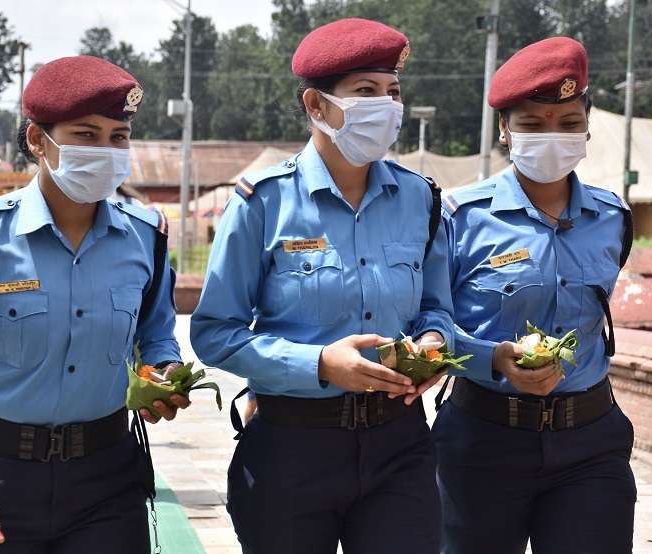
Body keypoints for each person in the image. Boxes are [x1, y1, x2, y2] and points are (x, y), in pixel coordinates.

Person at [191, 18, 455, 554]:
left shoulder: (421, 200)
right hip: (292, 444)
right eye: (365, 92)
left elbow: (436, 309)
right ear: (316, 106)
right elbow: (215, 332)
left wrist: (433, 345)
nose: (385, 106)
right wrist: (317, 365)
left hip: (398, 443)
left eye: (393, 92)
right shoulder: (262, 202)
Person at [0, 55, 189, 554]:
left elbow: (156, 333)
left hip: (107, 479)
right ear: (38, 141)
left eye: (117, 138)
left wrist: (163, 372)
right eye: (85, 134)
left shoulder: (146, 237)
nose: (105, 151)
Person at [434, 37, 636, 554]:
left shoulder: (612, 219)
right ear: (505, 130)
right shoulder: (460, 218)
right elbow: (425, 322)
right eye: (532, 123)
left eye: (568, 123)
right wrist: (492, 359)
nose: (553, 135)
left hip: (591, 442)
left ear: (587, 126)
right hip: (482, 440)